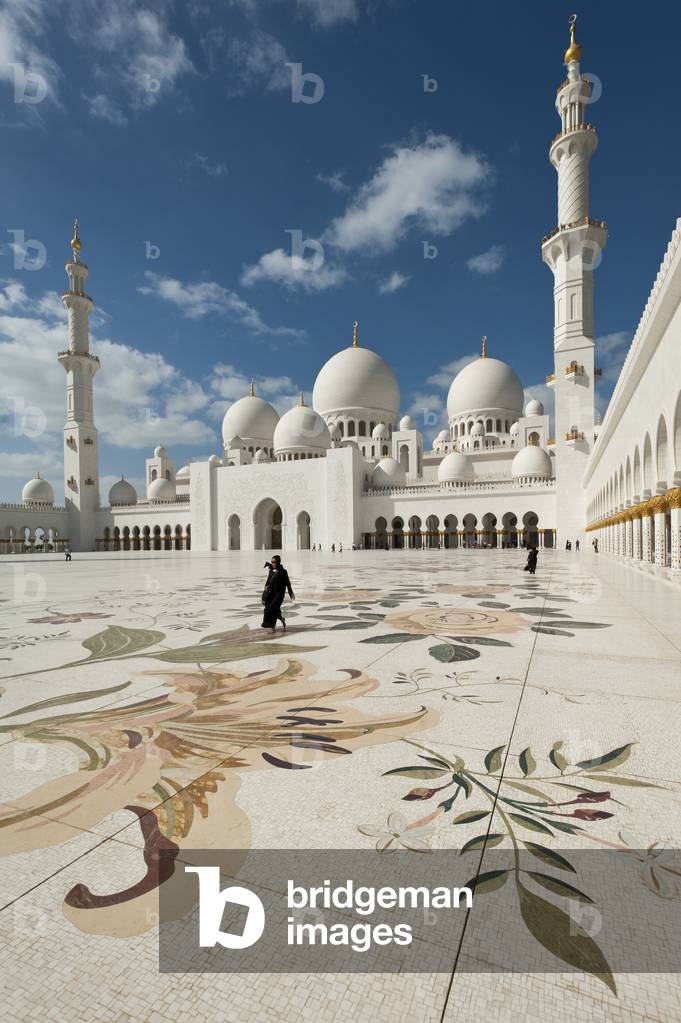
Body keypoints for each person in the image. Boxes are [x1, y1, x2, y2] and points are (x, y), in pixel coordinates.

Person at [261, 556, 295, 635]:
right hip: (270, 593)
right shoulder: (271, 570)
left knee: (271, 609)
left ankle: (272, 626)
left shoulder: (283, 572)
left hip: (279, 595)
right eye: (272, 562)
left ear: (278, 562)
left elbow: (287, 583)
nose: (273, 564)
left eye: (275, 562)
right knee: (269, 609)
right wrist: (265, 591)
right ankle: (281, 619)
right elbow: (268, 581)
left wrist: (290, 593)